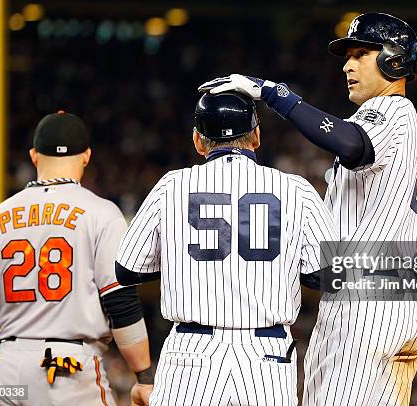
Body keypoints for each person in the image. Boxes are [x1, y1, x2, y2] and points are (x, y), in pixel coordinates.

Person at [200, 12, 417, 406]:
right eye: (348, 55)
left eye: (361, 53)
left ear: (395, 60)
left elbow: (351, 143)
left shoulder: (393, 112)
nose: (348, 65)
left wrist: (275, 95)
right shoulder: (396, 121)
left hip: (368, 299)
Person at [115, 91, 338, 405]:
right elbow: (325, 275)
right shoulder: (296, 189)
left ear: (198, 140)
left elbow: (127, 269)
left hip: (192, 353)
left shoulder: (172, 186)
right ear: (257, 136)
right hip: (267, 354)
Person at [0, 112, 153, 406]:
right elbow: (120, 303)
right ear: (86, 156)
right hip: (67, 371)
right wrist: (144, 377)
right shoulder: (102, 214)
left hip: (7, 372)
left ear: (34, 156)